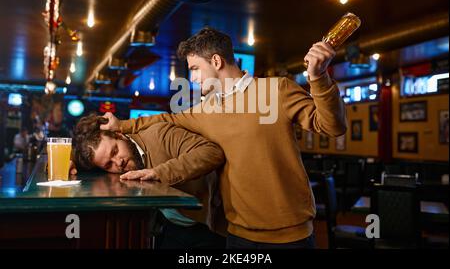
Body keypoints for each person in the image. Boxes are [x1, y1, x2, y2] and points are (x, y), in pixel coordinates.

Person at [100, 27, 347, 249]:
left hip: (291, 235)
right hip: (237, 235)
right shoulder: (205, 109)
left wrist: (319, 77)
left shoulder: (276, 90)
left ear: (216, 61)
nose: (193, 78)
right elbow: (166, 120)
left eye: (195, 69)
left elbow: (331, 126)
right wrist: (121, 124)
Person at [70, 114, 227, 249]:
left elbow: (212, 152)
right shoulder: (109, 165)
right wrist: (69, 161)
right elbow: (79, 159)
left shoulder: (159, 134)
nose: (118, 163)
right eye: (108, 164)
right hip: (171, 227)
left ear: (120, 135)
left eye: (115, 151)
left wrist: (158, 173)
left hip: (209, 227)